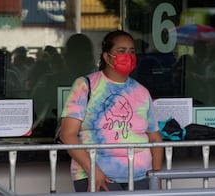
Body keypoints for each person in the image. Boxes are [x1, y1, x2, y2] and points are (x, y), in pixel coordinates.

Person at [59, 30, 163, 192]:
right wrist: (93, 170)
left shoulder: (142, 92)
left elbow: (155, 137)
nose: (128, 55)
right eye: (121, 51)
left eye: (132, 51)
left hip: (141, 176)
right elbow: (67, 134)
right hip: (97, 175)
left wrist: (156, 177)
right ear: (107, 57)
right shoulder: (85, 85)